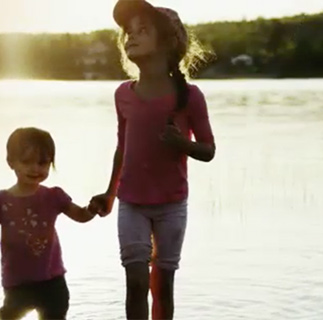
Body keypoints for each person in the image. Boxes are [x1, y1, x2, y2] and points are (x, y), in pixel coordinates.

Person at [89, 1, 216, 319]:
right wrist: (109, 193)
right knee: (135, 282)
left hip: (172, 205)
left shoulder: (189, 97)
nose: (130, 36)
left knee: (162, 287)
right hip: (131, 203)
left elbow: (209, 150)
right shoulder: (123, 94)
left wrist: (180, 143)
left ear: (168, 42)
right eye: (128, 32)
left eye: (142, 30)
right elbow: (123, 148)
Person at [0, 127, 99, 320]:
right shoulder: (0, 201)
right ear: (11, 162)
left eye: (43, 163)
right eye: (26, 162)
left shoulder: (53, 196)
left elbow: (80, 215)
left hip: (52, 281)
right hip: (17, 282)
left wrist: (93, 208)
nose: (35, 169)